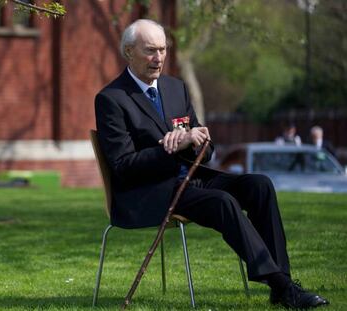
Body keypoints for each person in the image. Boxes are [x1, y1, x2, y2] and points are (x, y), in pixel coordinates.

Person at [94, 19, 329, 309]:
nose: (159, 58)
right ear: (128, 52)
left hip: (193, 179)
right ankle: (283, 286)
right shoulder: (111, 99)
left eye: (163, 50)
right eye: (150, 51)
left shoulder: (176, 88)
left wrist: (197, 142)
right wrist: (171, 148)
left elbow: (207, 149)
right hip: (152, 192)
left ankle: (281, 283)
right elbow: (123, 167)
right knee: (222, 201)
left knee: (259, 185)